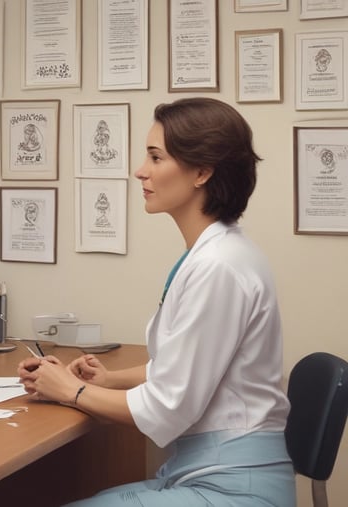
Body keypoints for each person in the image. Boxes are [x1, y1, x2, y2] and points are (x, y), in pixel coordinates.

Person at [18, 97, 295, 506]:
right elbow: (184, 366)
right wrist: (106, 380)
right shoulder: (210, 253)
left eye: (155, 157)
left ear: (202, 171)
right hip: (203, 470)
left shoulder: (219, 265)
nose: (140, 171)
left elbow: (168, 407)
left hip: (235, 488)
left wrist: (70, 390)